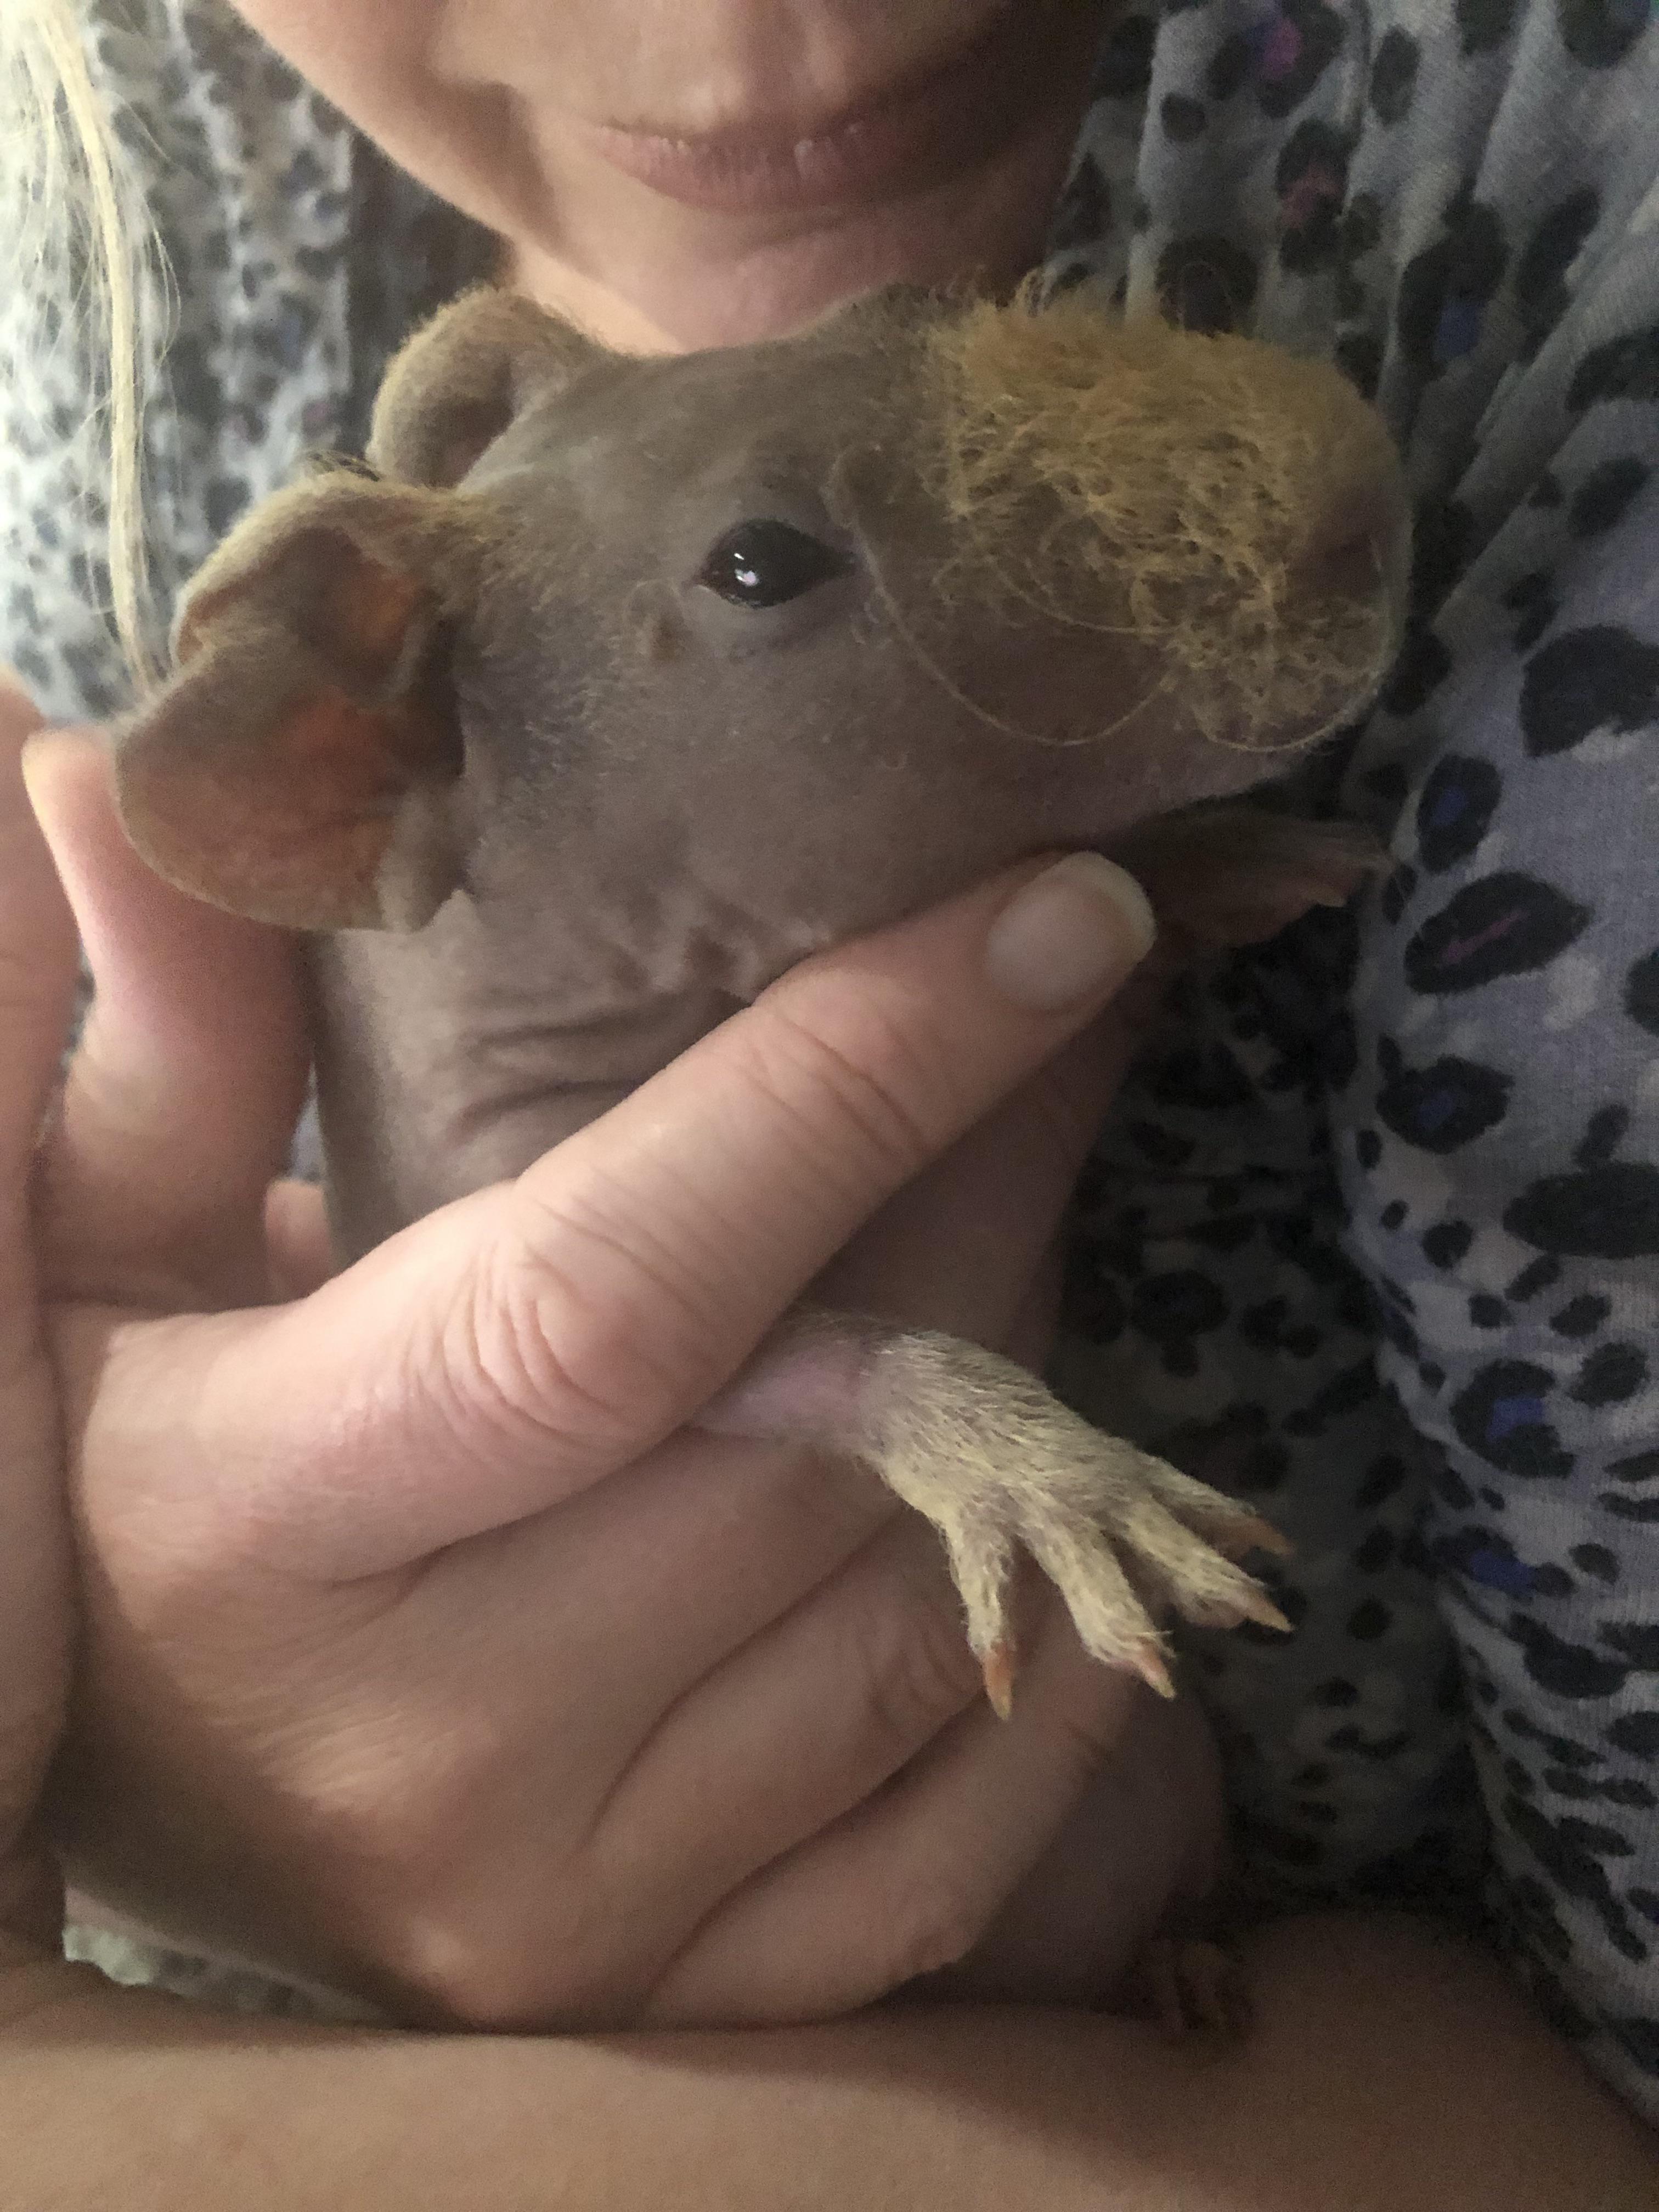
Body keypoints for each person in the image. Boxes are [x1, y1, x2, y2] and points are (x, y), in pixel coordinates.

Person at [0, 0, 1656, 2198]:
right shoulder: (152, 254)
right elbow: (632, 1362)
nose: (738, 35)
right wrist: (100, 1743)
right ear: (349, 755)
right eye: (767, 572)